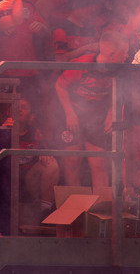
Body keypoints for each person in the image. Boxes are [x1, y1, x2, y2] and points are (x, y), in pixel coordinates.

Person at [55, 29, 129, 189]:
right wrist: (69, 113)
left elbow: (121, 94)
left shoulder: (120, 69)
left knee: (99, 163)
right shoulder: (82, 64)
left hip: (97, 118)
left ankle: (100, 207)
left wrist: (112, 112)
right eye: (123, 54)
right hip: (74, 114)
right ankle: (74, 206)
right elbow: (60, 87)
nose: (126, 57)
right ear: (111, 54)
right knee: (71, 161)